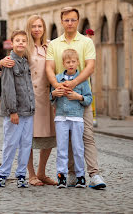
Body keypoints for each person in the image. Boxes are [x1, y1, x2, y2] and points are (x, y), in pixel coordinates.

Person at [46, 6, 106, 189]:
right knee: (66, 140)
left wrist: (73, 84)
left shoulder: (86, 42)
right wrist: (57, 86)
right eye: (66, 20)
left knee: (86, 136)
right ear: (61, 21)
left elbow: (90, 67)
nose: (70, 23)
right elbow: (49, 68)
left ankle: (94, 174)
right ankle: (71, 174)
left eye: (73, 19)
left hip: (80, 96)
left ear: (78, 21)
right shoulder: (54, 44)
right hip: (62, 98)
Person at [0, 15, 56, 186]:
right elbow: (9, 66)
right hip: (28, 99)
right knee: (27, 139)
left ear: (44, 28)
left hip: (47, 98)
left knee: (49, 137)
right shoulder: (24, 46)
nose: (37, 29)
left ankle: (42, 172)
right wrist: (1, 64)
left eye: (40, 26)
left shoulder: (50, 47)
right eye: (33, 26)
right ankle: (29, 174)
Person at [0, 30, 35, 188]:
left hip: (29, 111)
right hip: (15, 113)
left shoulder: (25, 61)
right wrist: (12, 111)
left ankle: (21, 175)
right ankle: (2, 175)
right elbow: (8, 89)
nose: (20, 43)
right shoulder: (9, 62)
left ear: (26, 44)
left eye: (23, 41)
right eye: (17, 40)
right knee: (11, 143)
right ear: (12, 43)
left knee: (26, 144)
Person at [51, 49, 92, 189]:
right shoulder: (57, 79)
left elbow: (88, 99)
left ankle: (81, 177)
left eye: (73, 61)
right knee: (62, 148)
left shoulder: (82, 80)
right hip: (61, 118)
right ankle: (61, 177)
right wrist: (54, 93)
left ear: (78, 62)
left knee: (78, 148)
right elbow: (51, 98)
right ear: (63, 63)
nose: (71, 64)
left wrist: (78, 97)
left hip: (77, 119)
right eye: (68, 62)